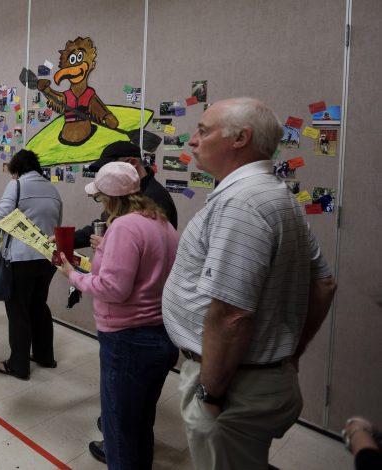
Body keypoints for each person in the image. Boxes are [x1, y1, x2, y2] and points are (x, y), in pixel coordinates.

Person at [162, 97, 337, 470]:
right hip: (261, 377)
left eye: (204, 131)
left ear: (240, 138)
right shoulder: (276, 195)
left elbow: (231, 315)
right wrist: (291, 353)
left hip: (232, 389)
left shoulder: (242, 203)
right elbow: (324, 285)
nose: (192, 141)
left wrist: (210, 395)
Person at [59, 162, 179, 470]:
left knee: (120, 432)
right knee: (140, 425)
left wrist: (73, 274)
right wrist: (105, 247)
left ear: (109, 198)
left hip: (128, 341)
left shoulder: (124, 227)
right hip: (159, 334)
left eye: (99, 198)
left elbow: (113, 288)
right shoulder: (159, 220)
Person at [0, 149, 62, 380]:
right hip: (47, 259)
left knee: (18, 310)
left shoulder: (17, 185)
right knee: (39, 305)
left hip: (22, 259)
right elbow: (57, 222)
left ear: (17, 171)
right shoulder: (52, 188)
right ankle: (44, 356)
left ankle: (18, 365)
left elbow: (2, 215)